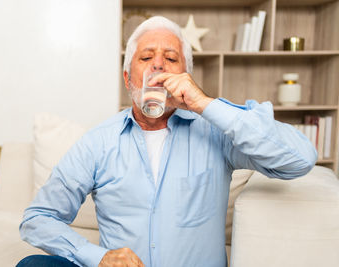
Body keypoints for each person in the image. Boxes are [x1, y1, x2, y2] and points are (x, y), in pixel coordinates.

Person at [17, 16, 317, 267]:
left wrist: (204, 103)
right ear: (127, 78)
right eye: (146, 57)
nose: (157, 65)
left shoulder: (215, 132)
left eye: (171, 59)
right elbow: (38, 218)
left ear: (186, 76)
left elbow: (300, 159)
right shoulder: (97, 143)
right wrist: (99, 258)